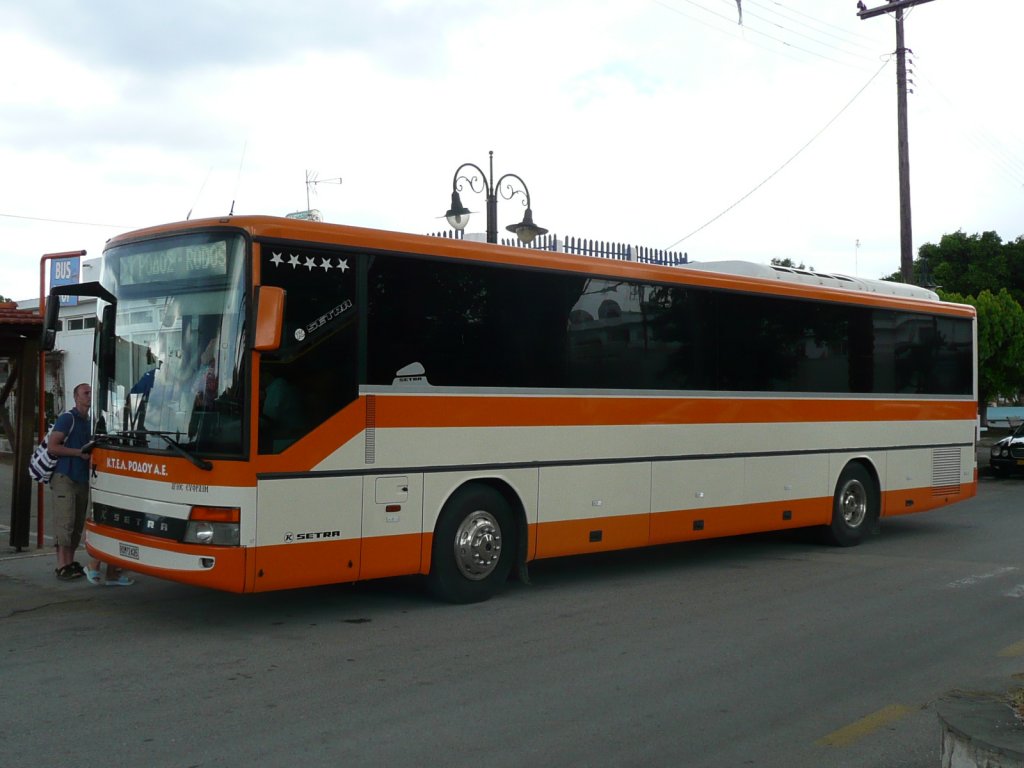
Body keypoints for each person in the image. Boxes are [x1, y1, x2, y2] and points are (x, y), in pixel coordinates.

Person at [48, 383, 94, 581]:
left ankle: (70, 561)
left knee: (76, 523)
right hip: (65, 477)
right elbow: (53, 446)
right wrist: (78, 453)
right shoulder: (68, 418)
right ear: (76, 397)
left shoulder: (90, 422)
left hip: (81, 478)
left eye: (91, 392)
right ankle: (61, 565)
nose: (89, 396)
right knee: (65, 521)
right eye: (86, 393)